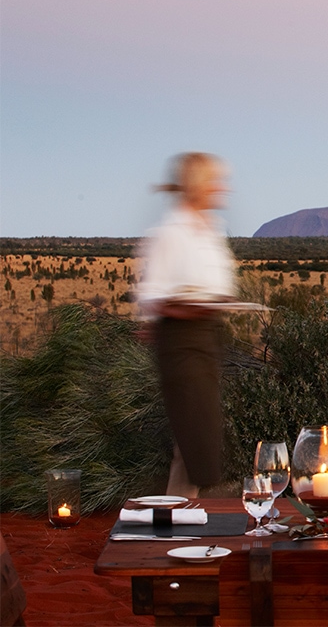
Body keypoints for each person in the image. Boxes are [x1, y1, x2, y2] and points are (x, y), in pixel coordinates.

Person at [136, 152, 236, 498]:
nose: (223, 188)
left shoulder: (211, 230)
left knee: (195, 438)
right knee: (195, 435)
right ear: (199, 185)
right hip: (180, 339)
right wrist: (188, 307)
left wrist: (214, 302)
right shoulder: (170, 233)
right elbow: (151, 295)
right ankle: (179, 523)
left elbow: (219, 286)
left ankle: (181, 520)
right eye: (216, 181)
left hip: (208, 336)